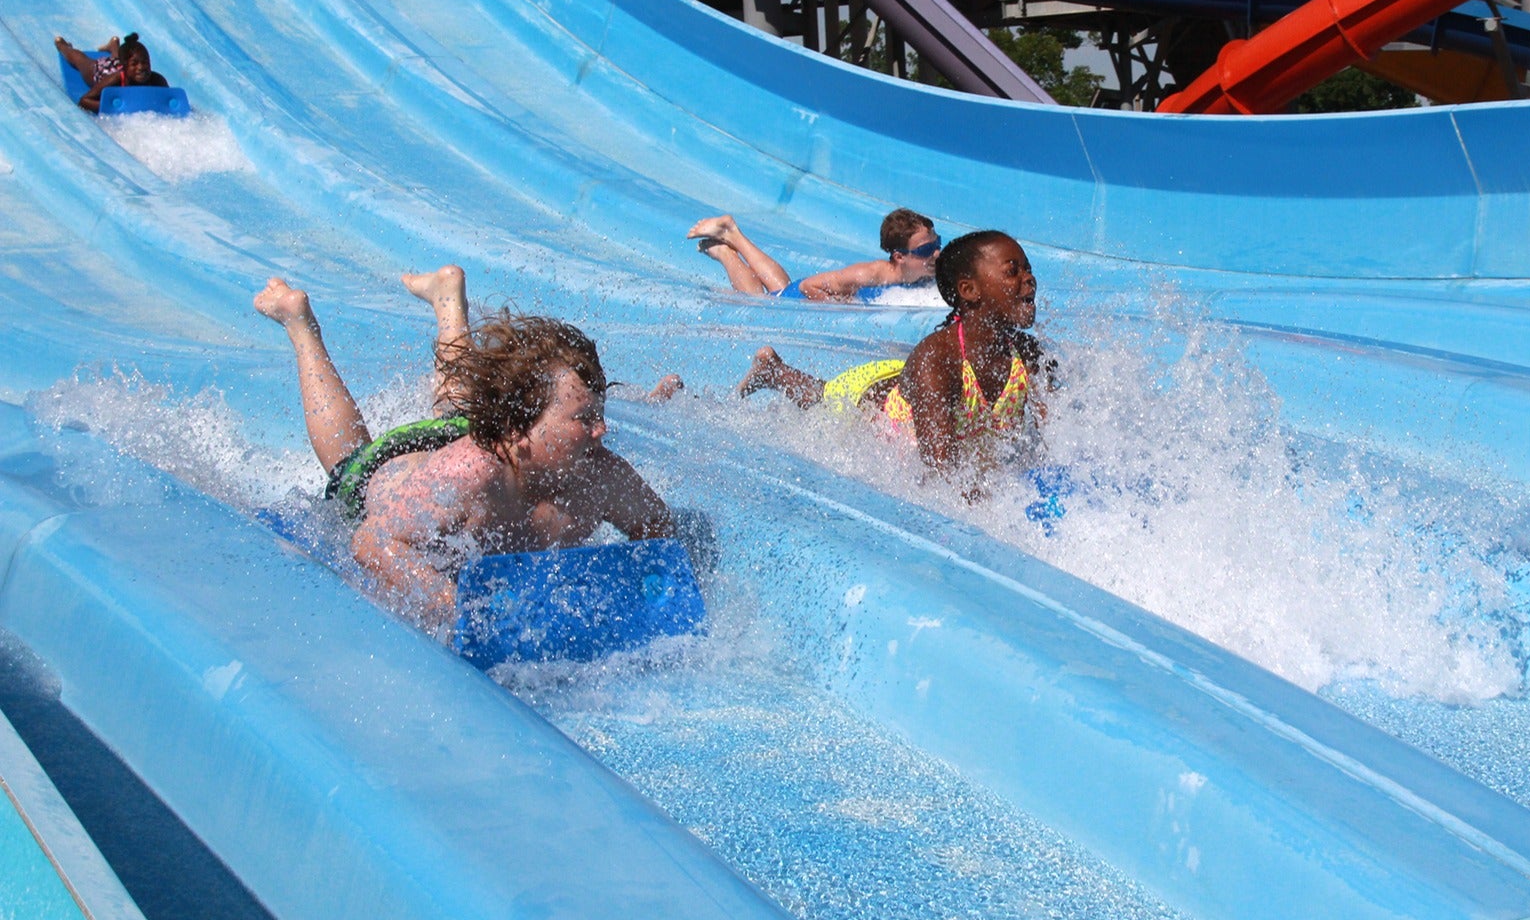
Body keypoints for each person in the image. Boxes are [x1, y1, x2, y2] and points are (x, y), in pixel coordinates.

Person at [254, 265, 680, 632]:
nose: (601, 431)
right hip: (388, 470)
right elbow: (372, 541)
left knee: (462, 401)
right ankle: (300, 324)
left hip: (473, 433)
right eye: (583, 420)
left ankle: (447, 298)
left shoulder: (600, 476)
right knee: (348, 456)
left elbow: (661, 531)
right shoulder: (467, 477)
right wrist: (458, 610)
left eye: (599, 414)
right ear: (518, 429)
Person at [738, 229, 1049, 479]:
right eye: (1012, 271)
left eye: (1028, 270)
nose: (1028, 278)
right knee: (822, 401)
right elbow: (941, 472)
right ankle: (774, 370)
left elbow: (1056, 434)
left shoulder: (1028, 355)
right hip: (876, 404)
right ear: (969, 291)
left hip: (914, 378)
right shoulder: (938, 361)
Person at [688, 207, 942, 300]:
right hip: (799, 299)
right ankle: (725, 252)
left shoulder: (925, 271)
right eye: (926, 250)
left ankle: (732, 232)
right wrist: (842, 308)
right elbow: (809, 286)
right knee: (760, 299)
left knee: (779, 289)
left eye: (937, 243)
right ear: (899, 257)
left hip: (792, 289)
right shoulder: (872, 274)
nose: (937, 253)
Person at [55, 32, 170, 114]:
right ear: (123, 66)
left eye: (145, 62)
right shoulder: (115, 79)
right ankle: (63, 46)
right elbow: (84, 101)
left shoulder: (157, 80)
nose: (141, 67)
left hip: (121, 64)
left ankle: (113, 44)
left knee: (121, 59)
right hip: (103, 71)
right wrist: (110, 107)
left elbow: (169, 101)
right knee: (82, 61)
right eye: (135, 64)